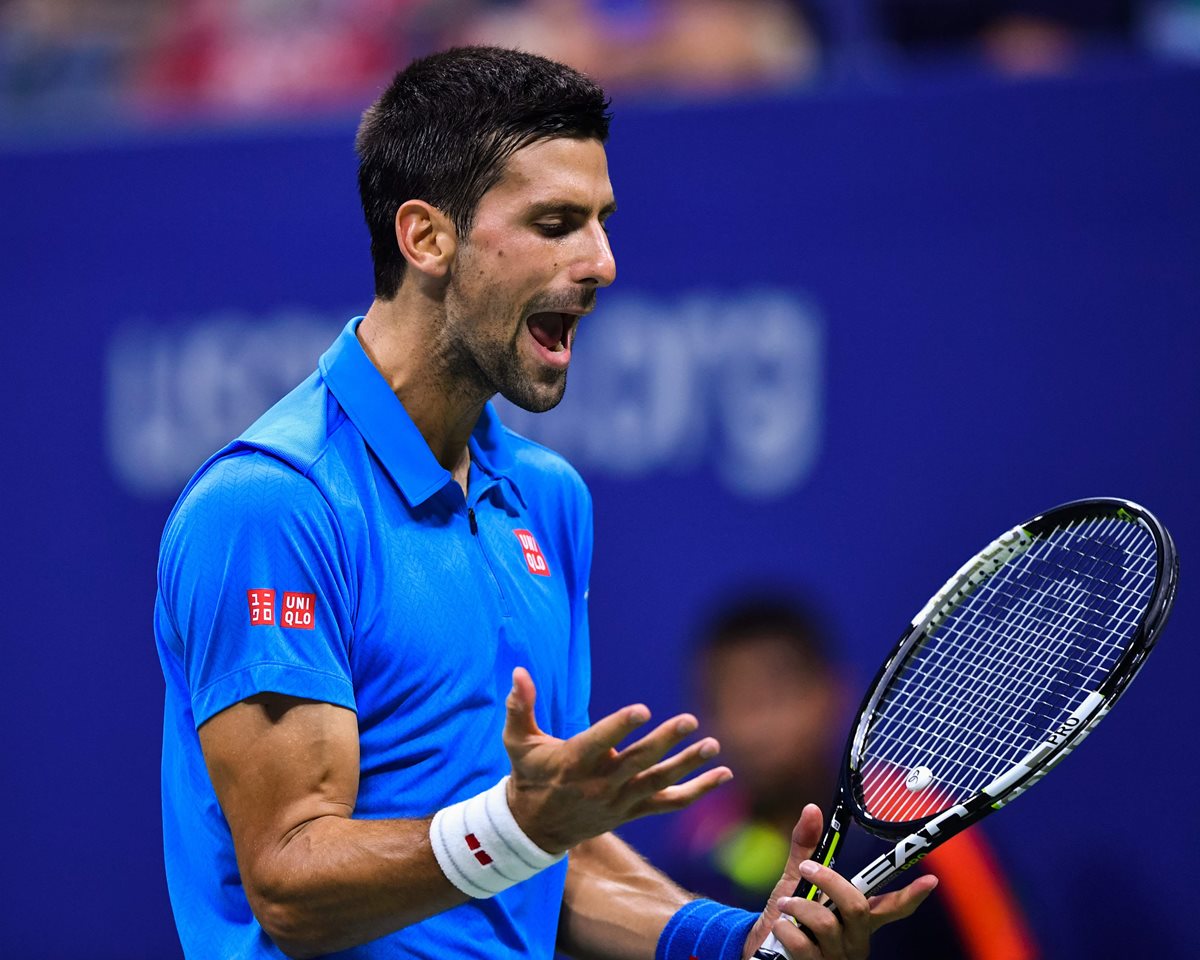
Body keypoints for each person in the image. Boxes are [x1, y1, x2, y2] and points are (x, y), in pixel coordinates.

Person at [153, 46, 936, 960]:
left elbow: (547, 850)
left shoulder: (548, 499)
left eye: (602, 222)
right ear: (427, 238)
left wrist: (733, 941)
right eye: (557, 223)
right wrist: (517, 830)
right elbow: (290, 882)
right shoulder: (272, 506)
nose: (601, 262)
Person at [667, 596, 1039, 960]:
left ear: (831, 695)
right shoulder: (702, 839)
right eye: (730, 702)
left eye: (773, 697)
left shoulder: (925, 825)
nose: (753, 730)